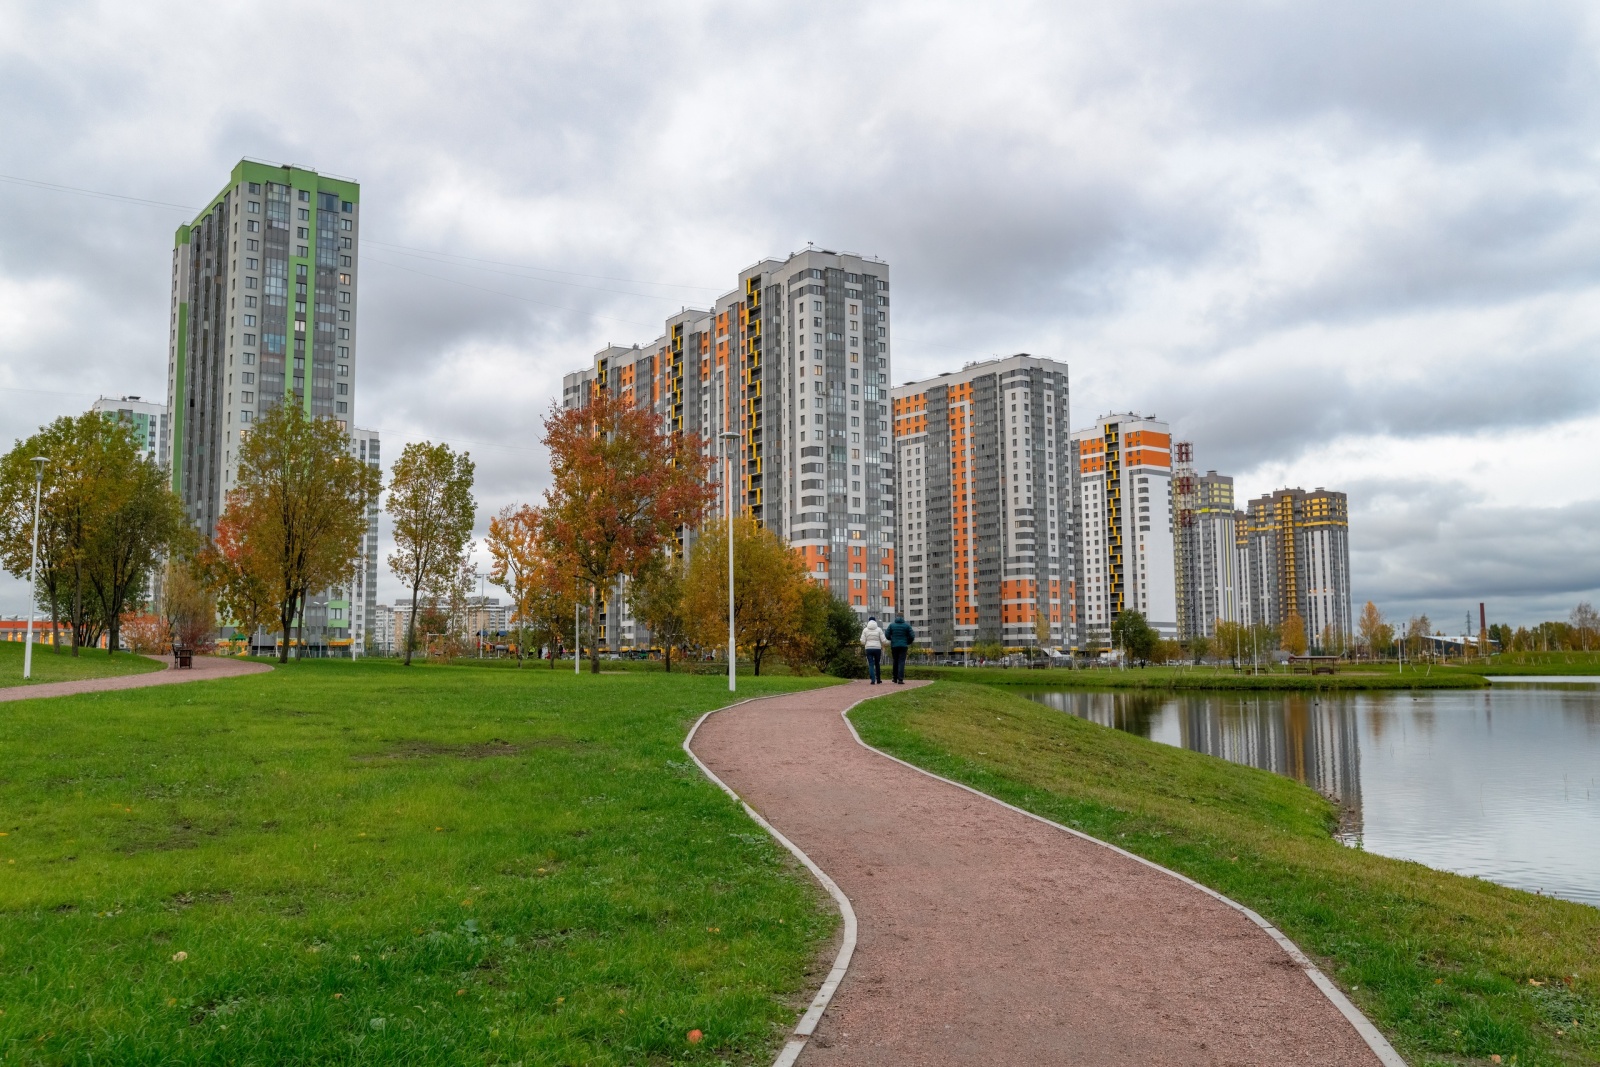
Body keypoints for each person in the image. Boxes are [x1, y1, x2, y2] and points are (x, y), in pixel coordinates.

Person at [885, 614, 916, 683]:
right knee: (901, 662)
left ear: (896, 617)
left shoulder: (891, 625)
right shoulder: (907, 626)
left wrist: (891, 639)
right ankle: (900, 679)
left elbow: (887, 634)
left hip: (894, 646)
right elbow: (912, 636)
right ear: (903, 617)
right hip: (903, 646)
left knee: (895, 661)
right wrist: (908, 642)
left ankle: (894, 678)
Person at [860, 615, 885, 684]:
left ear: (868, 622)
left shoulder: (865, 630)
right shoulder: (879, 629)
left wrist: (865, 643)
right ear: (875, 622)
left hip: (868, 649)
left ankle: (872, 680)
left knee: (871, 664)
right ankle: (879, 679)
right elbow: (883, 640)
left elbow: (862, 641)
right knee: (877, 664)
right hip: (877, 649)